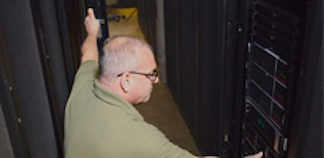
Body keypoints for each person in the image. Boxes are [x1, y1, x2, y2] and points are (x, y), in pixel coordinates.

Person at [64, 8, 263, 158]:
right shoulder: (139, 137)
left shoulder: (83, 87)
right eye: (151, 74)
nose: (156, 80)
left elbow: (88, 55)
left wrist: (92, 32)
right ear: (126, 80)